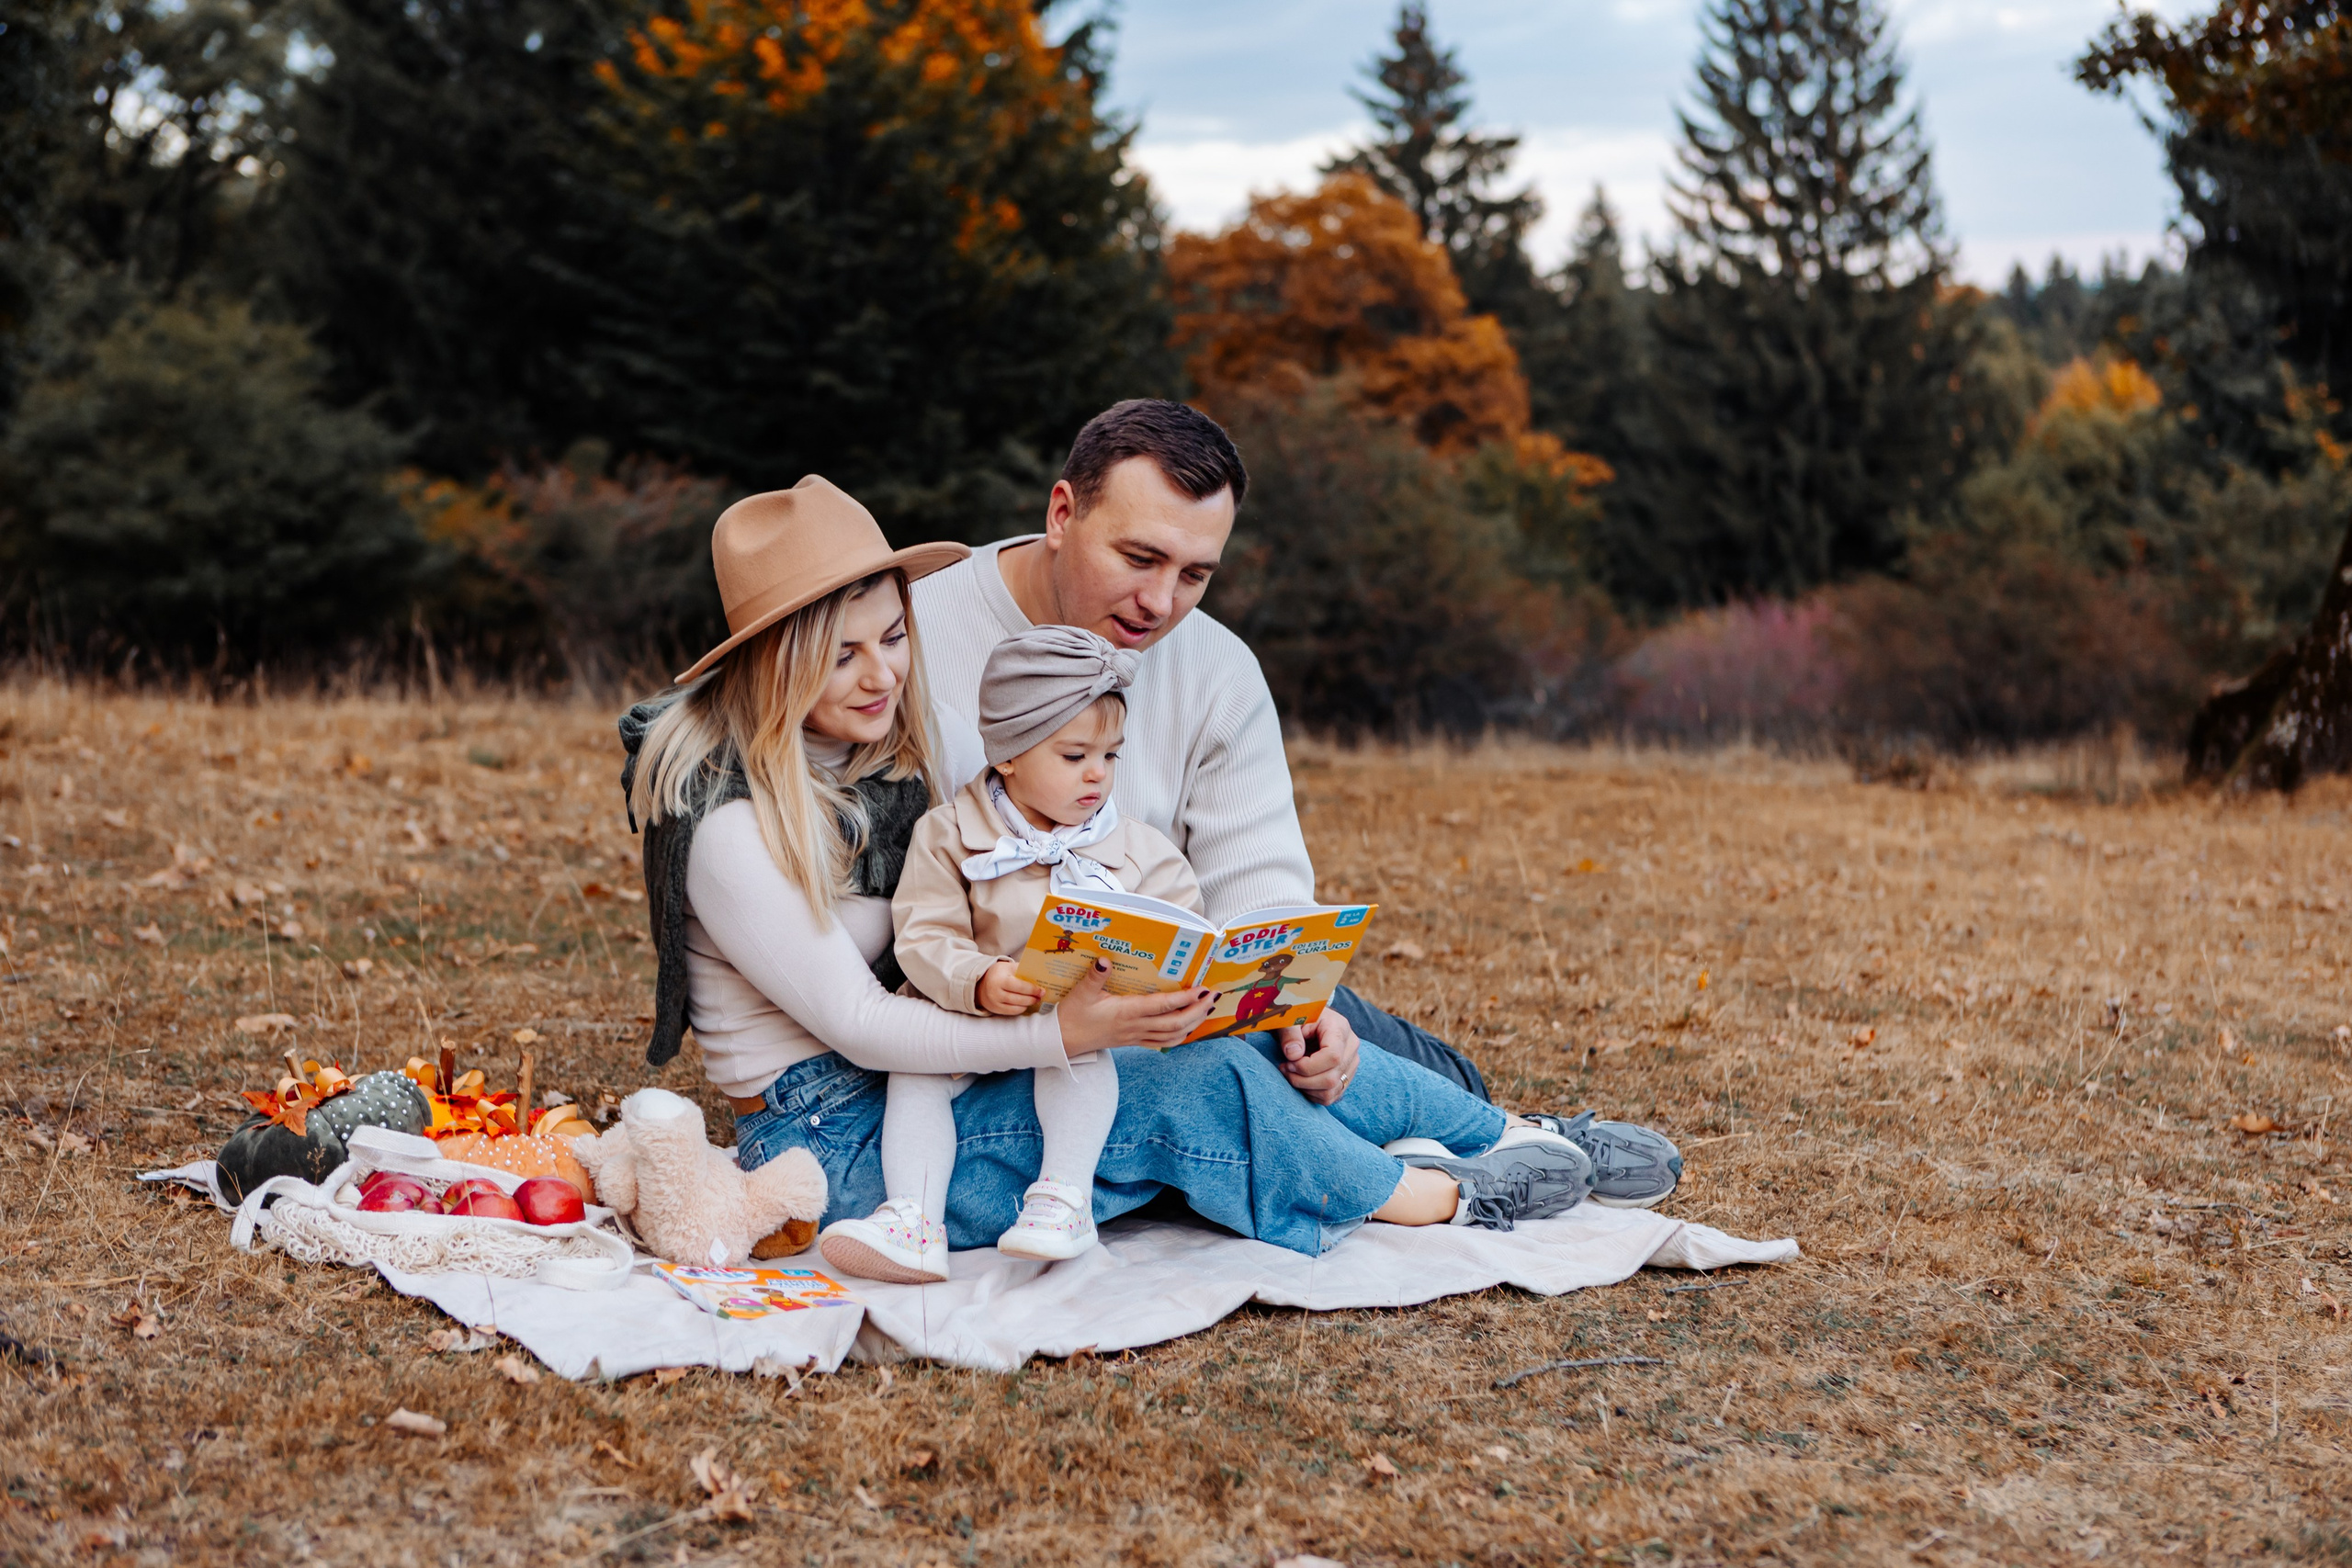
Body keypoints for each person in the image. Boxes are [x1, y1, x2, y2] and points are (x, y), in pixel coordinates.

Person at [620, 476, 1605, 1262]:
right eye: (842, 657)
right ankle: (1433, 1199)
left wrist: (1142, 959)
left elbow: (1023, 829)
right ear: (776, 665)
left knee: (1227, 1024)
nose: (882, 675)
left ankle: (1509, 1132)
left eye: (891, 639)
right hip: (840, 1134)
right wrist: (1067, 1029)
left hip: (947, 1051)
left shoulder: (876, 750)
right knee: (1179, 1082)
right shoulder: (726, 822)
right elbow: (864, 1026)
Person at [911, 398, 1683, 1207]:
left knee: (1382, 1057)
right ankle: (1471, 1159)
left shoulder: (1217, 668)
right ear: (1063, 513)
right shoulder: (920, 640)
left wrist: (1297, 1003)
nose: (1160, 602)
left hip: (1178, 990)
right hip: (1007, 1007)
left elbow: (1259, 877)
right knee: (1221, 1089)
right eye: (1139, 557)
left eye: (1195, 575)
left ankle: (1524, 1138)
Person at [820, 626, 1190, 1281]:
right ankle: (912, 1218)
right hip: (973, 1020)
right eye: (1075, 754)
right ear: (1011, 754)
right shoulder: (951, 834)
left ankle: (1061, 1198)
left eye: (1111, 755)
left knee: (1082, 1054)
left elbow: (1182, 924)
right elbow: (923, 932)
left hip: (1075, 1026)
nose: (1097, 774)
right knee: (915, 1074)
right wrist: (979, 977)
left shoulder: (1134, 848)